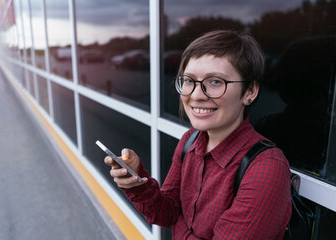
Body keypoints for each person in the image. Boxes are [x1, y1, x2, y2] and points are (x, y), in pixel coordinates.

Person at [104, 30, 291, 239]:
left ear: (250, 92)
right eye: (189, 80)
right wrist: (137, 182)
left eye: (216, 82)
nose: (196, 95)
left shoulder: (266, 168)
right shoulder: (190, 140)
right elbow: (168, 213)